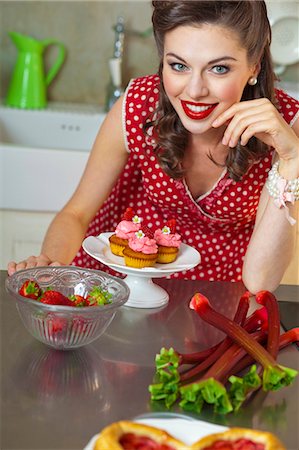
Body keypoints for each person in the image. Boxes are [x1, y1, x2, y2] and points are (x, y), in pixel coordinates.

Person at [8, 1, 299, 294]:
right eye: (179, 66)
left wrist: (291, 160)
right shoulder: (137, 105)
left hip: (216, 300)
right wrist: (52, 270)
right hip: (121, 287)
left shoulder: (286, 127)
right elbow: (77, 213)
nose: (195, 90)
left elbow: (260, 282)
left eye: (219, 68)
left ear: (254, 65)